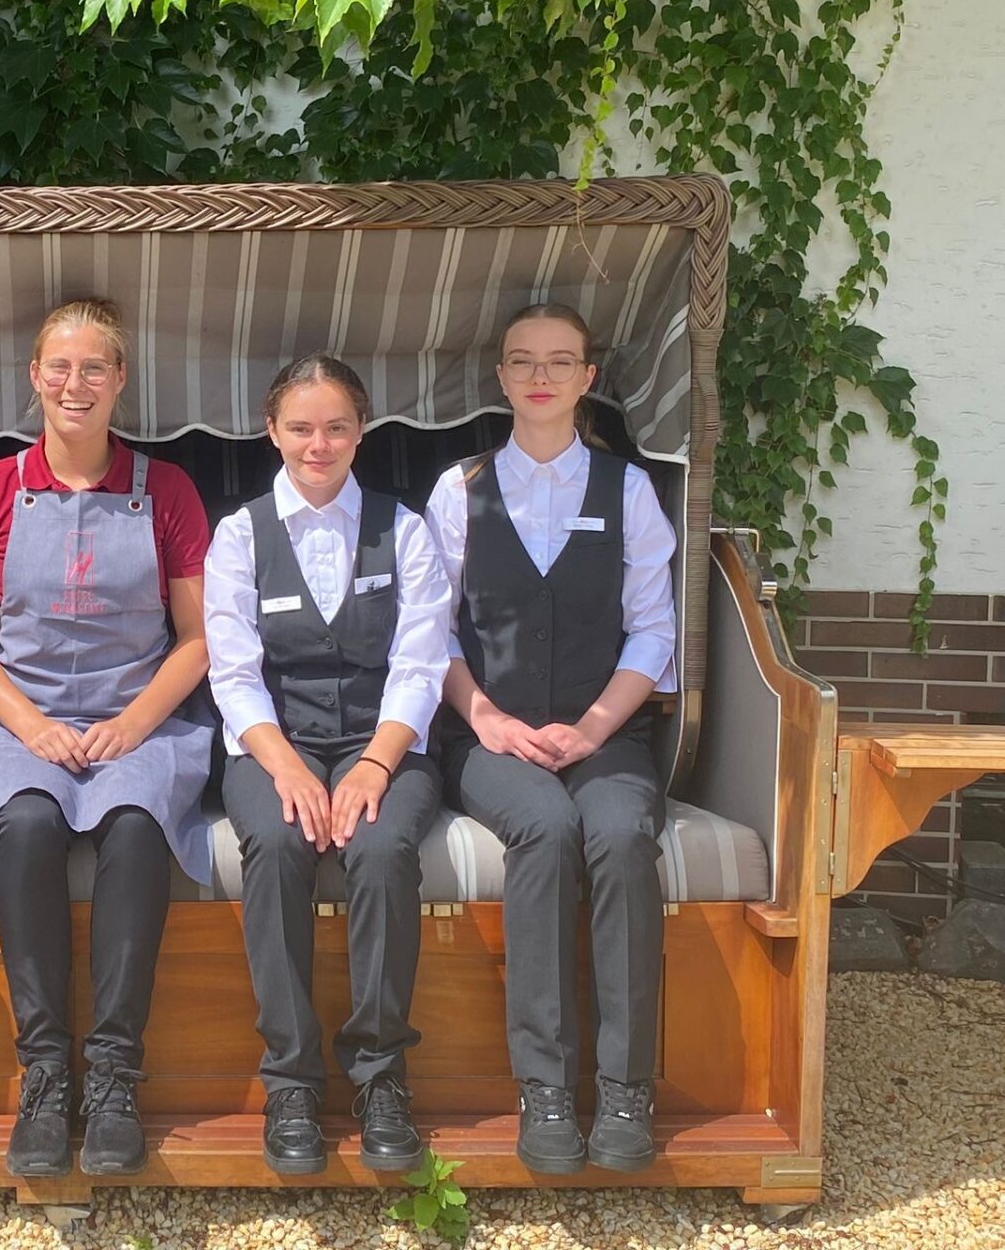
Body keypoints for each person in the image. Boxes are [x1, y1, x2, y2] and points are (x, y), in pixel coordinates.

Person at [0, 298, 215, 1179]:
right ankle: (45, 1070)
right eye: (59, 367)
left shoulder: (168, 490)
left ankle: (113, 1076)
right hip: (18, 719)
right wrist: (30, 725)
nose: (76, 383)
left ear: (120, 379)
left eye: (94, 366)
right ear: (34, 377)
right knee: (25, 826)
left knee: (136, 830)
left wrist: (134, 723)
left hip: (140, 718)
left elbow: (198, 638)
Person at [423, 302, 678, 1176]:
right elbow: (433, 634)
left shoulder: (628, 491)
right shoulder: (458, 490)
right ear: (500, 378)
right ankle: (545, 1088)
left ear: (587, 378)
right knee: (545, 826)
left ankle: (627, 1089)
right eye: (523, 361)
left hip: (606, 736)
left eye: (560, 361)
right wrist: (487, 719)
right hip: (487, 740)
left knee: (621, 835)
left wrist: (597, 725)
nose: (541, 376)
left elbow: (653, 630)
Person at [203, 354, 452, 1176]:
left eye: (337, 427)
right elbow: (233, 672)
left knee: (381, 848)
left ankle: (381, 1077)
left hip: (383, 741)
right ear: (272, 431)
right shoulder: (239, 535)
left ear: (362, 431)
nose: (320, 444)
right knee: (277, 844)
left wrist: (376, 765)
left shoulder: (402, 529)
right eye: (302, 427)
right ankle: (291, 1082)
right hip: (274, 743)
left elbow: (421, 662)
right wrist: (286, 768)